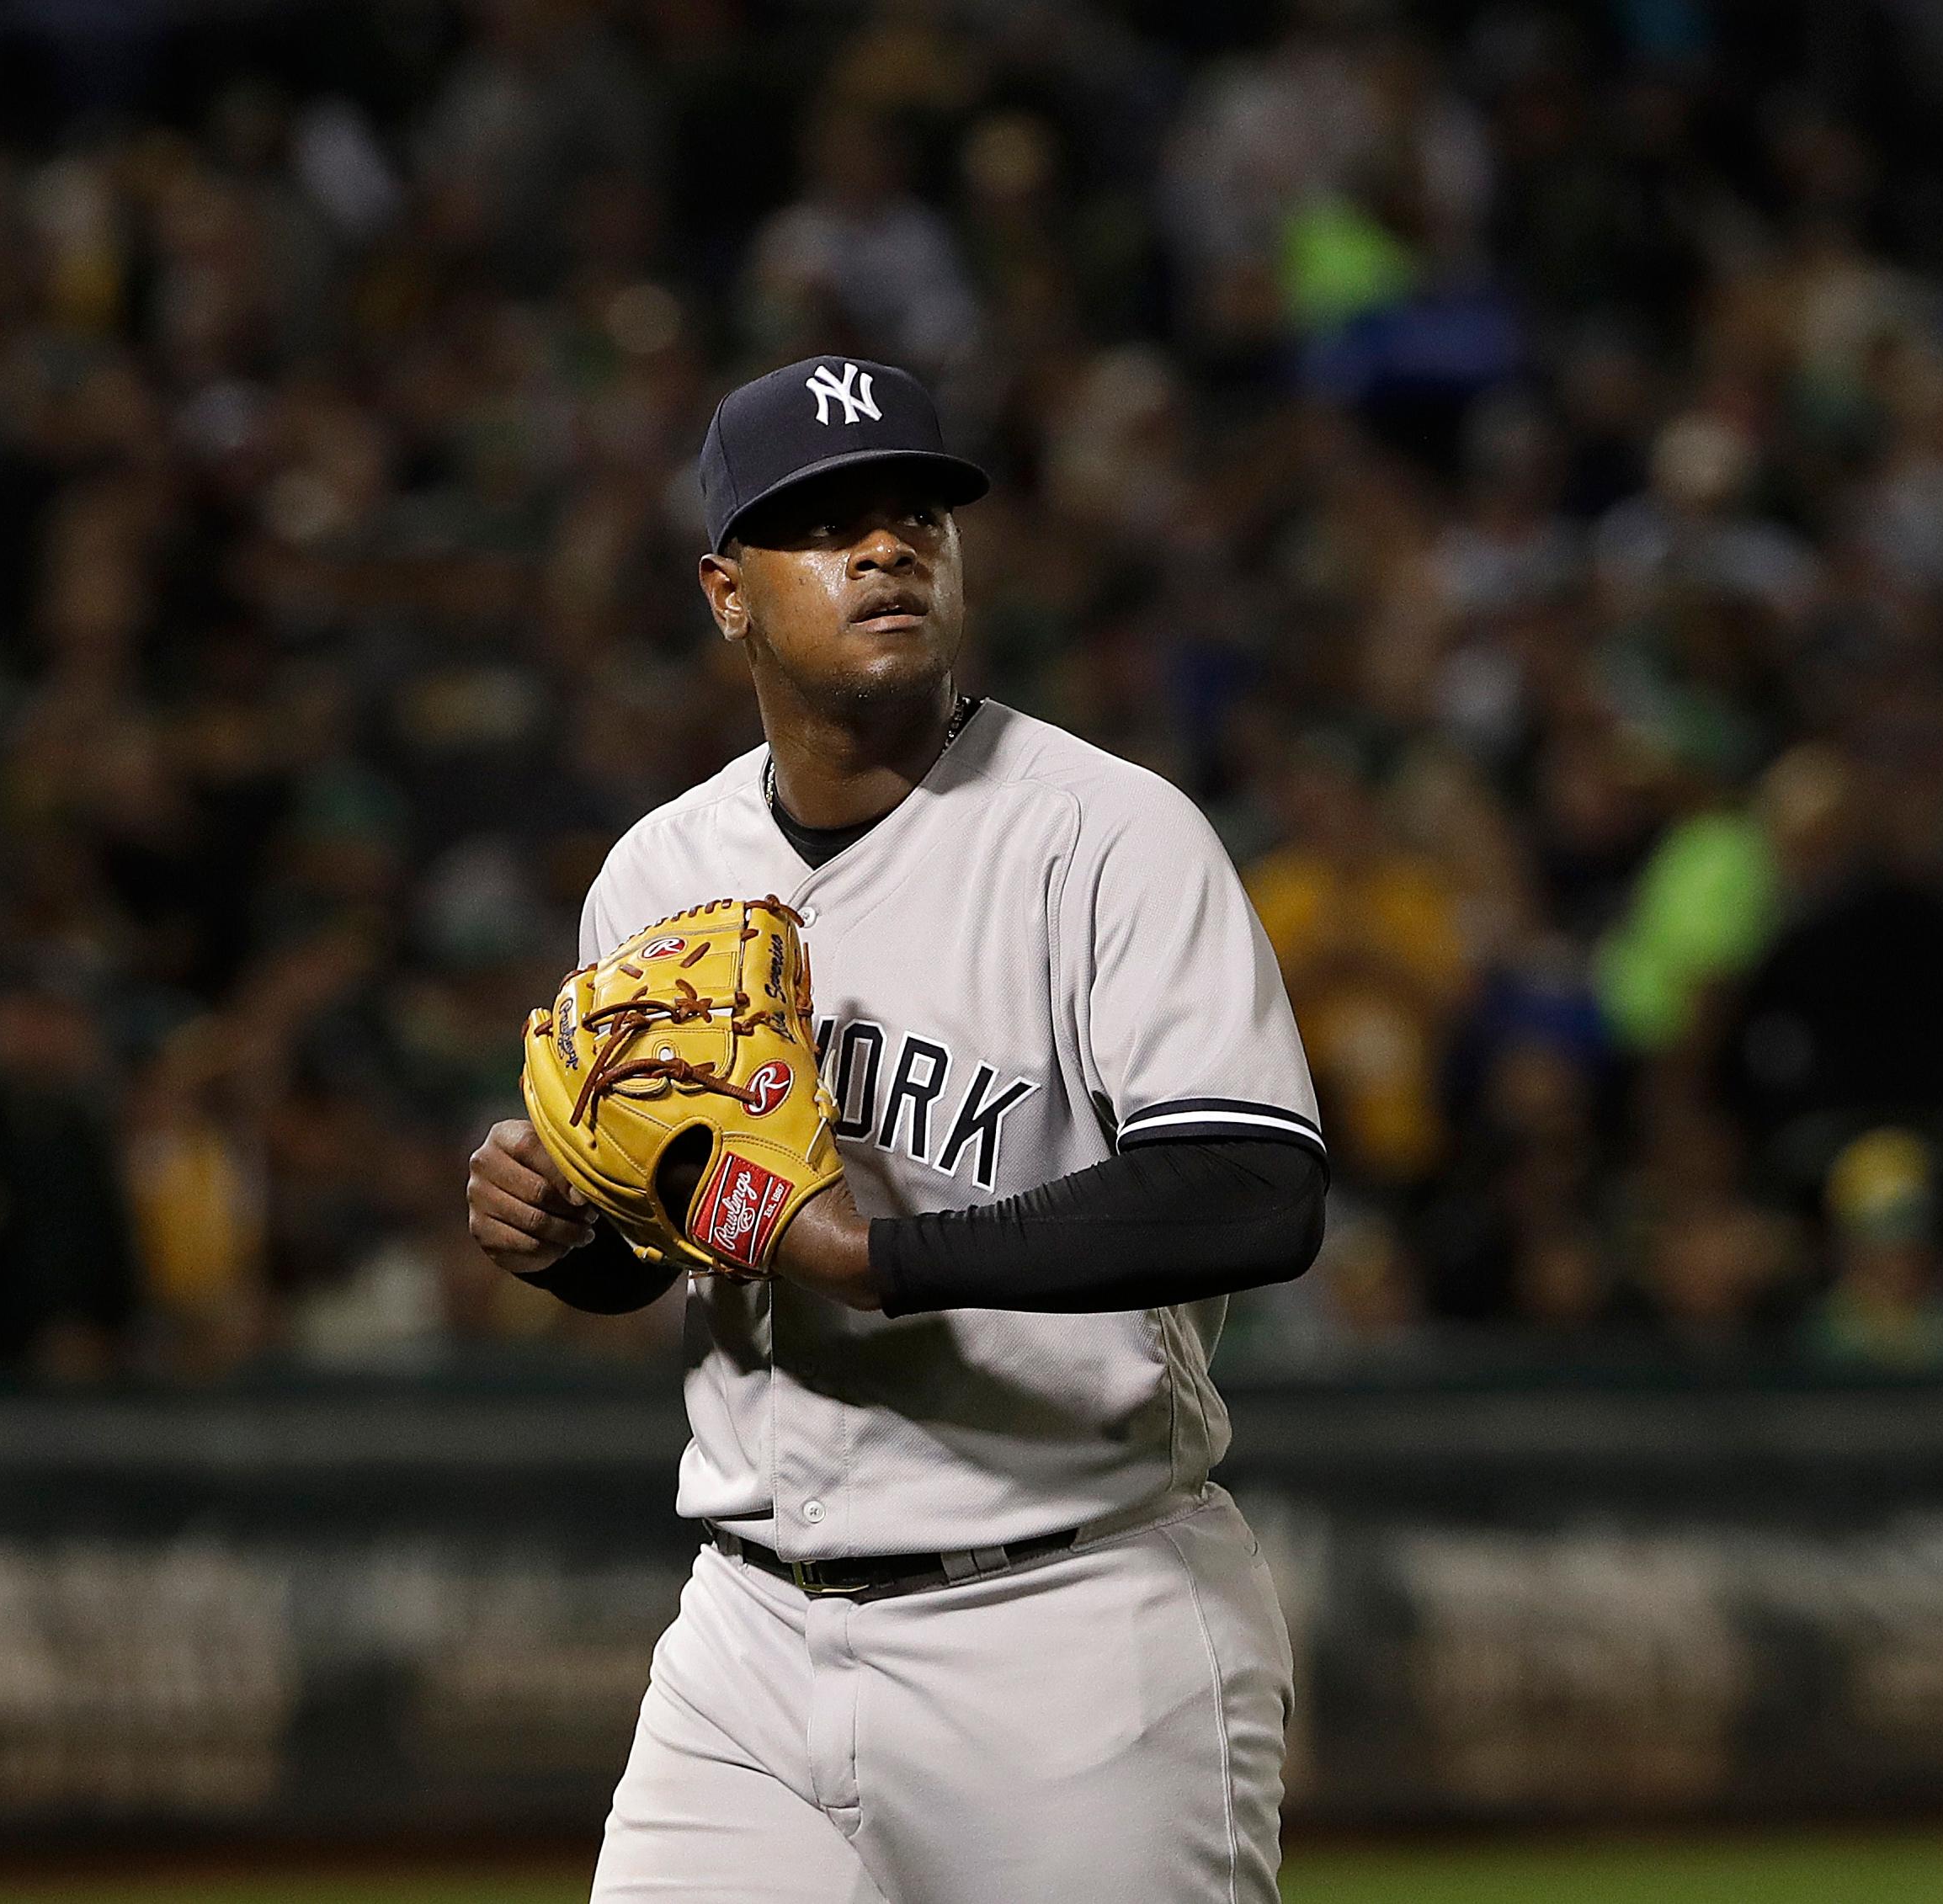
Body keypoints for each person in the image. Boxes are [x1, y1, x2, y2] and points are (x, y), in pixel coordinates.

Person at [466, 359, 1329, 1902]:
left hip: (1069, 1615)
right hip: (747, 1633)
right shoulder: (660, 868)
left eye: (912, 512)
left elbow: (1252, 1189)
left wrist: (876, 1254)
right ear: (728, 593)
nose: (884, 547)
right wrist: (572, 1233)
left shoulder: (1103, 833)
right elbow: (675, 1250)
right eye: (823, 523)